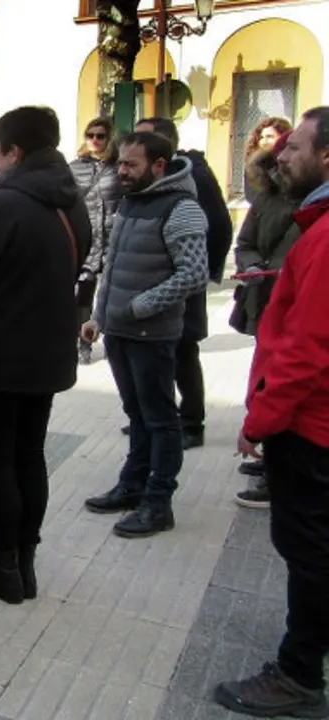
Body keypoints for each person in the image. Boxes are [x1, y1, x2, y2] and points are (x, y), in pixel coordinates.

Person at [0, 106, 93, 605]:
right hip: (47, 353)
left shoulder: (4, 203)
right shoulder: (71, 200)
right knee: (30, 455)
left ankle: (3, 566)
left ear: (15, 152)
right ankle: (25, 564)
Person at [214, 106, 329, 720]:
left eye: (293, 148)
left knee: (307, 549)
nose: (280, 156)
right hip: (310, 420)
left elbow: (306, 350)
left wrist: (259, 421)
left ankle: (299, 672)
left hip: (311, 428)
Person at [82, 131, 209, 538]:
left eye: (130, 164)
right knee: (136, 415)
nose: (121, 171)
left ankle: (158, 502)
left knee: (161, 420)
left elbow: (194, 274)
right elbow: (113, 264)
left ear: (158, 165)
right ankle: (132, 485)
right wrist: (99, 315)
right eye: (119, 163)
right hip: (119, 332)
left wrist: (139, 306)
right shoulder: (131, 204)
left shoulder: (182, 209)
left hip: (152, 336)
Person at [133, 117, 232, 449]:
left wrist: (203, 272)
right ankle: (158, 417)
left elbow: (218, 224)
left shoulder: (193, 175)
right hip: (153, 281)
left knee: (184, 352)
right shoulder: (148, 178)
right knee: (159, 354)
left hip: (182, 283)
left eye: (143, 138)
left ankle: (191, 423)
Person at [230, 130, 302, 508]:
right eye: (281, 152)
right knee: (265, 379)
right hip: (266, 302)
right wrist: (253, 265)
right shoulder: (266, 198)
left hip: (299, 311)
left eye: (293, 149)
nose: (284, 159)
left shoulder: (315, 204)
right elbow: (245, 243)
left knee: (288, 382)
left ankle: (278, 472)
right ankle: (269, 458)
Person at [70, 117, 122, 365]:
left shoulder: (118, 166)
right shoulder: (75, 167)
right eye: (90, 135)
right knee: (84, 292)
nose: (94, 140)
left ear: (109, 137)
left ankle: (113, 340)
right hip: (86, 238)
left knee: (112, 292)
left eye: (100, 135)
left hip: (113, 237)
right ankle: (83, 344)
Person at [243, 117, 294, 203]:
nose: (264, 141)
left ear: (284, 138)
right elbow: (253, 198)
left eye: (269, 137)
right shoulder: (254, 165)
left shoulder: (295, 163)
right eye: (261, 137)